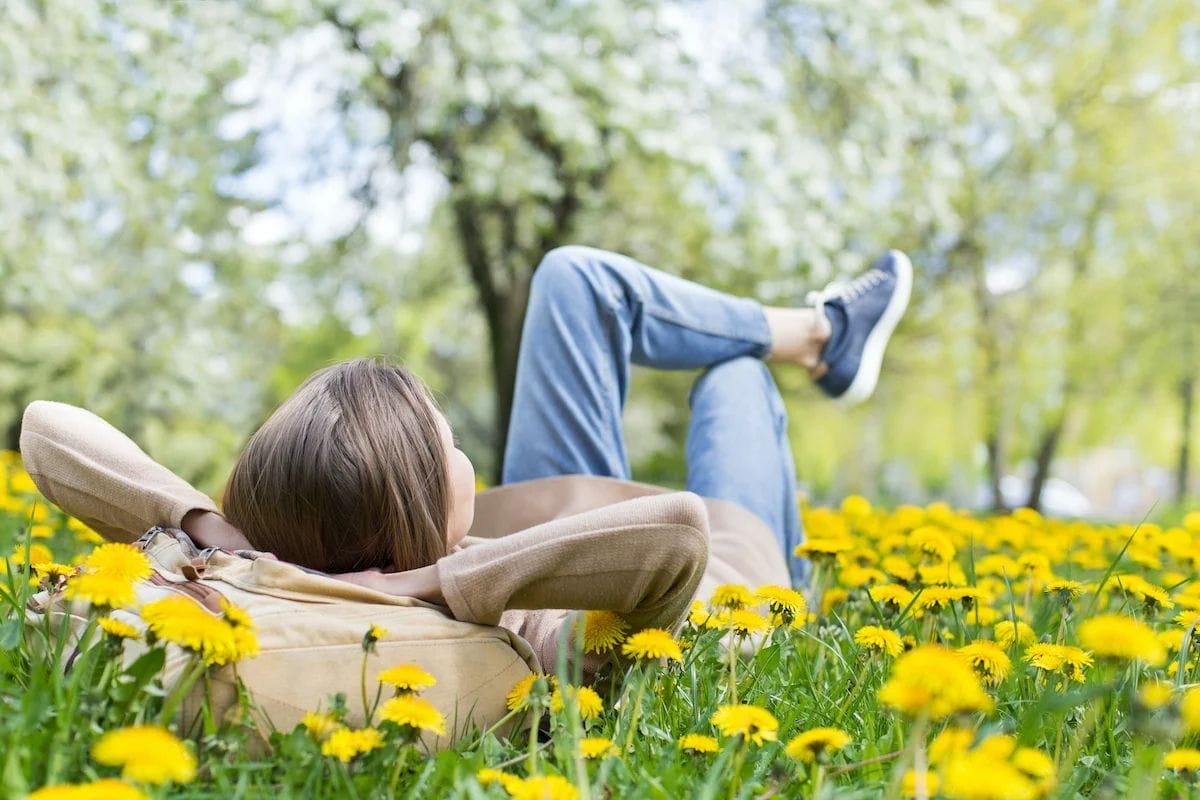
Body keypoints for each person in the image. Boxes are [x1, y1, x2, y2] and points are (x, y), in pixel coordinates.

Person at [20, 245, 911, 683]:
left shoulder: (312, 554)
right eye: (446, 442)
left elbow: (48, 428)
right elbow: (676, 532)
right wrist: (425, 586)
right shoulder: (521, 631)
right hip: (737, 554)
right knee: (733, 380)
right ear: (414, 522)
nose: (459, 445)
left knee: (570, 277)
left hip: (552, 514)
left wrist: (228, 543)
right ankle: (807, 340)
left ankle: (824, 333)